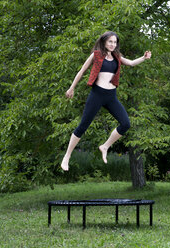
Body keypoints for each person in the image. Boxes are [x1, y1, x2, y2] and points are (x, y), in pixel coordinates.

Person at [61, 31, 151, 171]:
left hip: (111, 96)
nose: (112, 44)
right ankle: (67, 156)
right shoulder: (96, 55)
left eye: (115, 42)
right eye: (110, 42)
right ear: (104, 42)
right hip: (97, 95)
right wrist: (71, 88)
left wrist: (144, 58)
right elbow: (81, 72)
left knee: (126, 124)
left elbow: (132, 63)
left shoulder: (117, 56)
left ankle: (105, 146)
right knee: (83, 126)